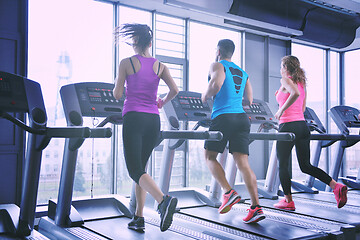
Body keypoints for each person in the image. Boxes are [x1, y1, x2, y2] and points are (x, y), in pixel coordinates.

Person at [113, 23, 179, 232]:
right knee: (142, 169)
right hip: (153, 120)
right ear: (150, 43)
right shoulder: (160, 66)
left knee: (135, 170)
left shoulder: (126, 63)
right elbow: (175, 90)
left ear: (134, 44)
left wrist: (122, 88)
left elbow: (116, 94)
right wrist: (161, 102)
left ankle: (163, 201)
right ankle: (138, 217)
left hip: (134, 118)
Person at [201, 39, 265, 224]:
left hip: (223, 117)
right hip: (242, 118)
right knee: (243, 163)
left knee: (209, 157)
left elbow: (216, 85)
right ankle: (256, 207)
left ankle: (228, 192)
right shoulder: (242, 72)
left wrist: (205, 95)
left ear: (219, 51)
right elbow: (249, 100)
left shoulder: (217, 65)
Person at [274, 55, 348, 210]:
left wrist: (281, 110)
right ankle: (335, 186)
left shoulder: (285, 80)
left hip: (287, 126)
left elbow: (295, 94)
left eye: (281, 66)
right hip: (302, 126)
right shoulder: (301, 82)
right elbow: (302, 107)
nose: (280, 69)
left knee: (283, 165)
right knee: (306, 166)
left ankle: (288, 201)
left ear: (286, 67)